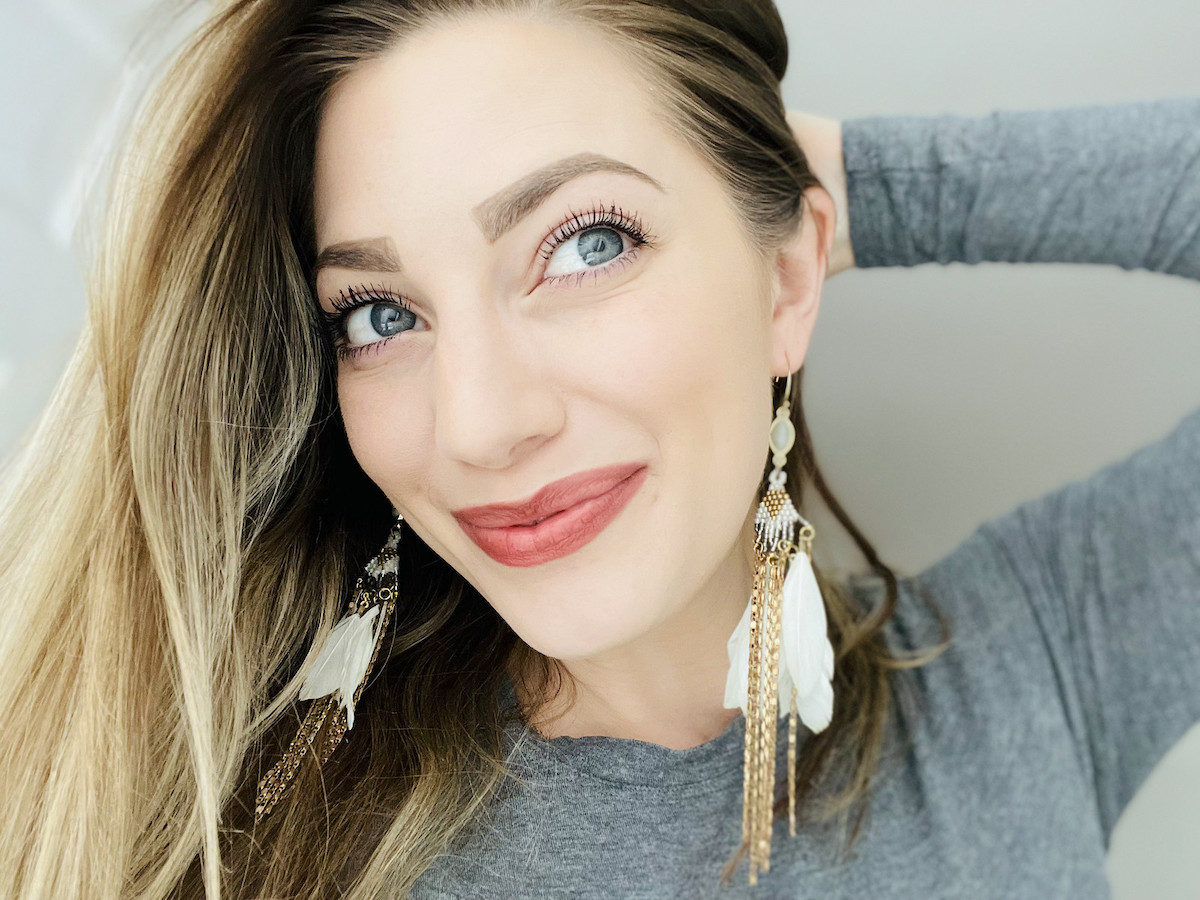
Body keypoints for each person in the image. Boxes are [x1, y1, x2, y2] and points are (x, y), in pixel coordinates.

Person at [0, 1, 1195, 898]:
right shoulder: (281, 860)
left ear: (786, 277)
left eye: (586, 244)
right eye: (380, 315)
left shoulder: (1024, 668)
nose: (478, 423)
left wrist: (865, 188)